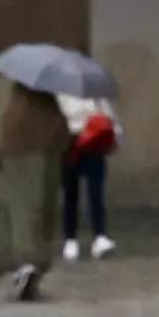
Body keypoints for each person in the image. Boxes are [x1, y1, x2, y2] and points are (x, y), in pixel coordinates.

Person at [0, 83, 72, 300]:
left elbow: (4, 138)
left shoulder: (15, 108)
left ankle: (24, 263)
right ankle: (33, 266)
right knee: (42, 215)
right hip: (47, 165)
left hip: (16, 165)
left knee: (19, 213)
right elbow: (64, 140)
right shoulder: (53, 110)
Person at [58, 94, 123, 261]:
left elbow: (107, 113)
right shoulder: (59, 92)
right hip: (69, 140)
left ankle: (100, 236)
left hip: (93, 139)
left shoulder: (94, 91)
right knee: (70, 192)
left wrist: (114, 134)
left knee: (96, 190)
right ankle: (70, 239)